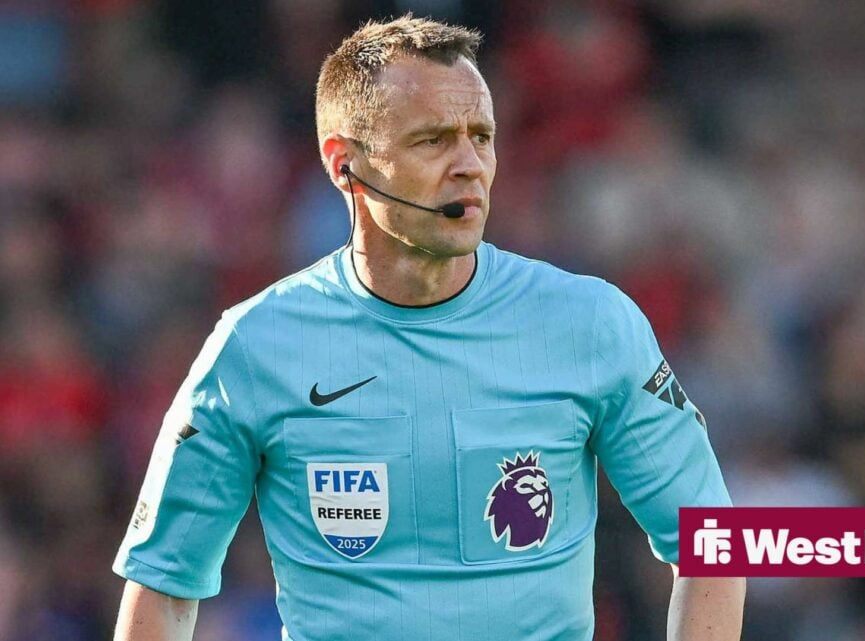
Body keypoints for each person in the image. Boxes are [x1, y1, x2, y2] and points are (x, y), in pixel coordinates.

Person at [112, 15, 744, 641]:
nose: (470, 165)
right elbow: (163, 593)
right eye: (433, 140)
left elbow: (713, 544)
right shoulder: (253, 346)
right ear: (345, 165)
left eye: (483, 137)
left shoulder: (591, 325)